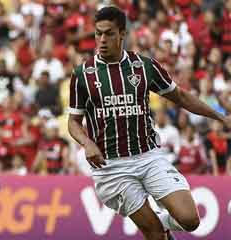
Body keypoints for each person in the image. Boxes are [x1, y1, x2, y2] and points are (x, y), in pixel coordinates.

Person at [67, 6, 231, 240]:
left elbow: (181, 97)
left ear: (122, 34)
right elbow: (73, 122)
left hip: (148, 157)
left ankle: (160, 223)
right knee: (154, 234)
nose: (102, 40)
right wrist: (86, 143)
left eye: (109, 33)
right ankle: (156, 228)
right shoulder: (83, 74)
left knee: (190, 220)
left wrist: (221, 117)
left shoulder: (144, 67)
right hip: (112, 168)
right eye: (98, 33)